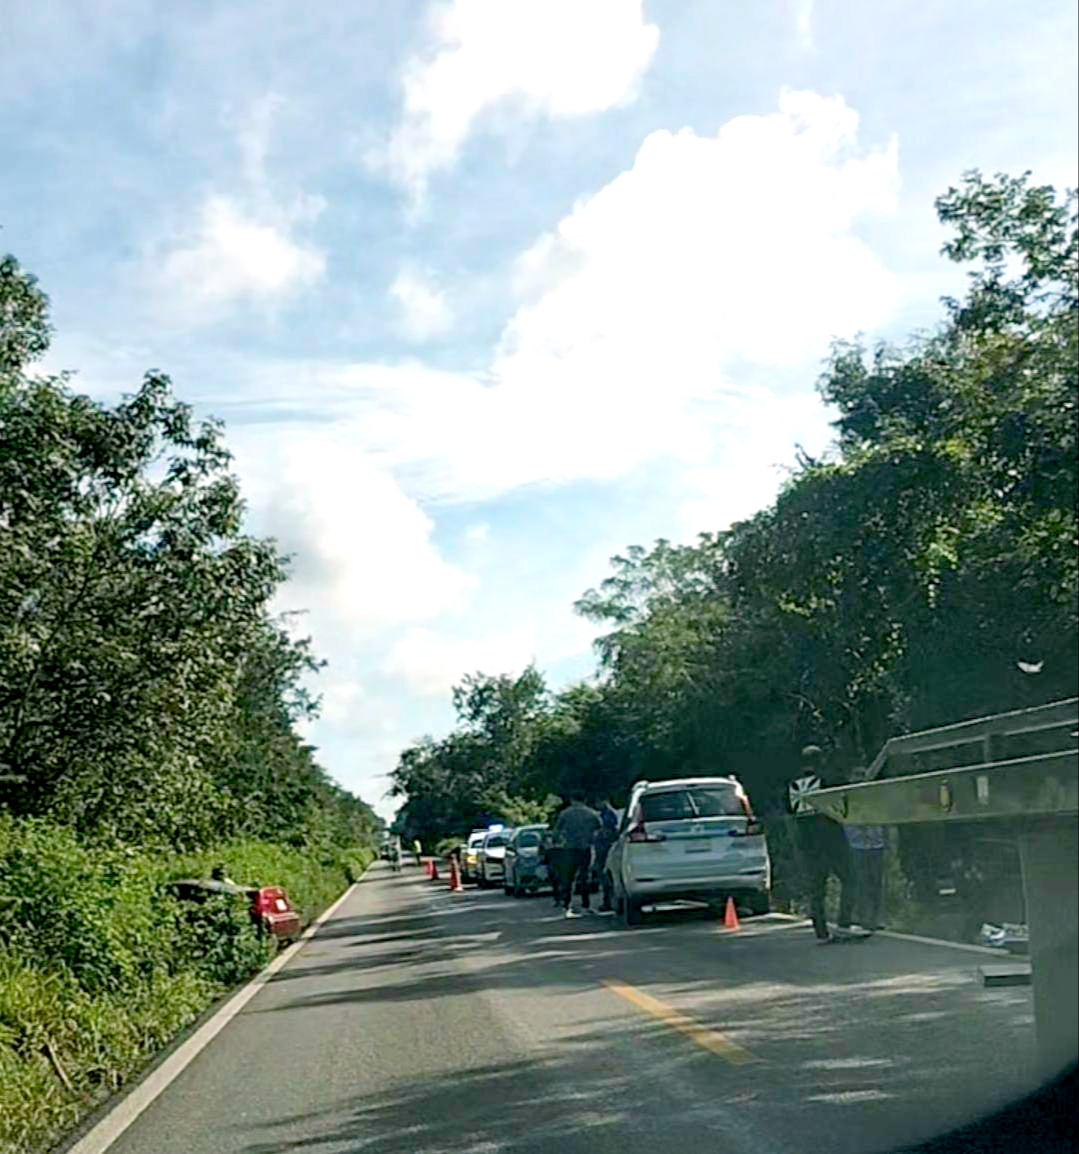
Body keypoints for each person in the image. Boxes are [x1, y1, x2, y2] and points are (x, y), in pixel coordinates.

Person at [788, 745, 855, 943]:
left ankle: (820, 931)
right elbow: (844, 795)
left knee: (816, 888)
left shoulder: (793, 786)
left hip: (807, 842)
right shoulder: (826, 780)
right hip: (832, 839)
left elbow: (790, 811)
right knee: (850, 879)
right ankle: (844, 924)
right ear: (821, 760)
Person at [843, 771, 886, 931]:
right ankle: (863, 918)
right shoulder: (848, 800)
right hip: (857, 845)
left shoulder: (874, 799)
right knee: (861, 883)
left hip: (875, 844)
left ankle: (876, 918)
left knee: (875, 883)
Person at [553, 793, 601, 918]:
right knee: (585, 877)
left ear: (572, 799)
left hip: (570, 848)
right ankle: (586, 905)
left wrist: (560, 841)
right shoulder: (592, 814)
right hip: (586, 848)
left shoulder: (565, 813)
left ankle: (567, 906)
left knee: (568, 878)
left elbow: (557, 831)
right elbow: (599, 829)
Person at [592, 801, 620, 911]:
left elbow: (609, 829)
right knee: (605, 877)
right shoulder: (605, 813)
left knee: (606, 877)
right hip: (603, 850)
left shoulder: (608, 815)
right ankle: (608, 901)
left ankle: (609, 902)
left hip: (605, 850)